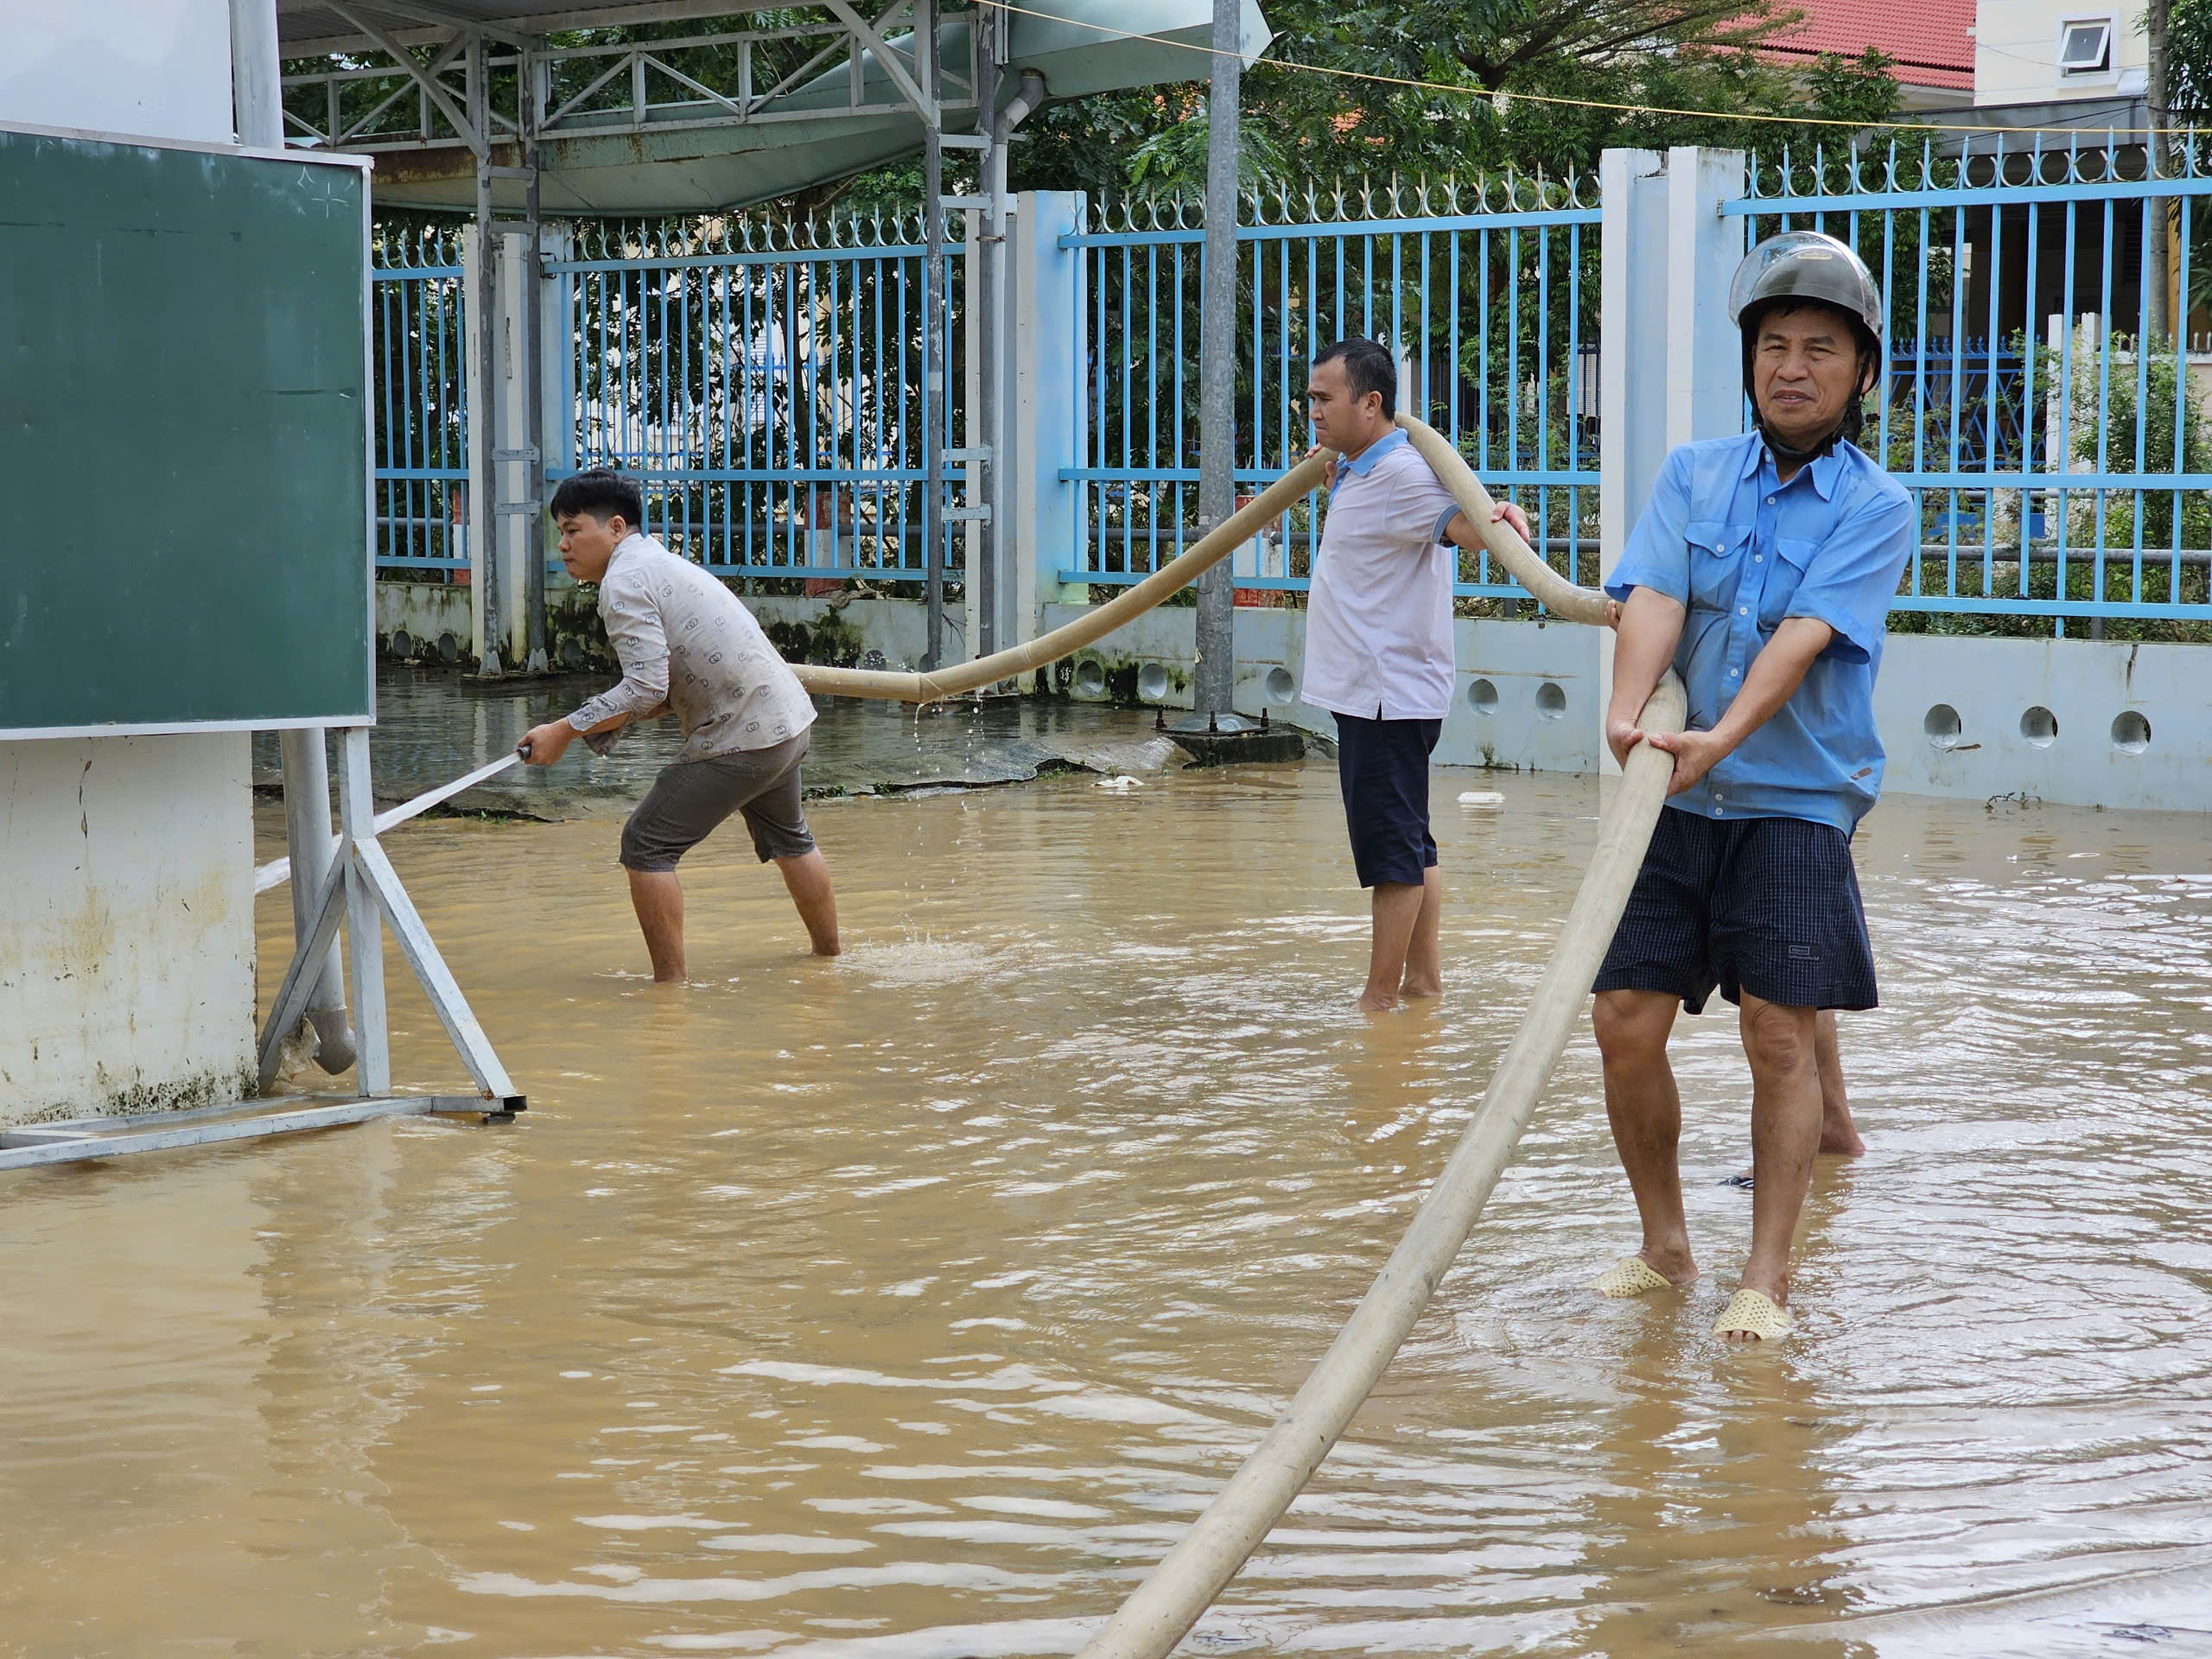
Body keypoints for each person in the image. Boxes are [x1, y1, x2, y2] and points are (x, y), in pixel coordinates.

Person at [1588, 231, 1912, 1342]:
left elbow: (1807, 634)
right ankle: (1664, 1245)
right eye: (1774, 345)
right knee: (1622, 1020)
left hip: (1792, 799)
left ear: (1861, 372)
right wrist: (1630, 717)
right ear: (1750, 360)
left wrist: (1720, 735)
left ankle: (1764, 1282)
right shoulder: (1692, 473)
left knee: (1780, 1034)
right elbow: (1656, 599)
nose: (1792, 367)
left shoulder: (1876, 505)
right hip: (1673, 796)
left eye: (1820, 348)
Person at [518, 469, 839, 980]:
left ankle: (669, 993)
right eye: (561, 532)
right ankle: (831, 962)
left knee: (646, 845)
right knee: (791, 840)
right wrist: (598, 723)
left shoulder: (623, 580)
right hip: (788, 721)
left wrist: (564, 730)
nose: (563, 545)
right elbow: (663, 687)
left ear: (616, 527)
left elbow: (645, 687)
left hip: (743, 734)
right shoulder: (655, 559)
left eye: (573, 530)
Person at [1299, 336, 1531, 1014]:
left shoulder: (1401, 473)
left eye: (1324, 399)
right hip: (1380, 694)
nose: (1312, 411)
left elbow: (1460, 525)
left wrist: (1499, 523)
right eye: (1310, 398)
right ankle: (1423, 986)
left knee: (1391, 853)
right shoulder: (1363, 468)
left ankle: (1379, 1002)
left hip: (1384, 696)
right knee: (1412, 840)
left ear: (1371, 404)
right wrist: (1335, 469)